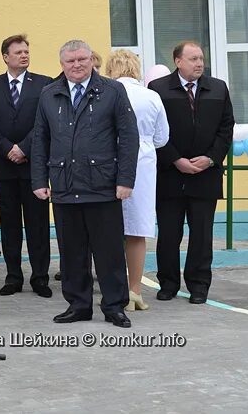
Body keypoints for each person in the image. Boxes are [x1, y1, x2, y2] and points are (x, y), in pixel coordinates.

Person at [31, 40, 138, 328]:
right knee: (71, 252)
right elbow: (40, 139)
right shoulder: (49, 94)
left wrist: (125, 179)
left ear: (91, 59)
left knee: (109, 252)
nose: (76, 65)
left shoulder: (112, 90)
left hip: (102, 185)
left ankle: (114, 306)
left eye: (82, 59)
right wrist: (39, 179)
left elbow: (129, 137)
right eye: (70, 61)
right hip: (64, 185)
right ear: (62, 64)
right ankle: (78, 305)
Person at [148, 41, 234, 304]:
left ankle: (199, 285)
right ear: (178, 61)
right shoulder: (159, 89)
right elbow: (154, 131)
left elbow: (226, 126)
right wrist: (176, 160)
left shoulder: (217, 87)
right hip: (170, 175)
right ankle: (168, 283)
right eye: (193, 58)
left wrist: (210, 158)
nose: (199, 63)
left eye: (201, 58)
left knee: (202, 234)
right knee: (169, 234)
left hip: (205, 174)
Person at [0, 34, 53, 298]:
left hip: (33, 166)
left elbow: (44, 122)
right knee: (9, 223)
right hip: (4, 166)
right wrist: (6, 148)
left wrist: (24, 147)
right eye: (18, 52)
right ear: (5, 57)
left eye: (26, 51)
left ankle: (40, 277)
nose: (24, 55)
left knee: (38, 224)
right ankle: (13, 276)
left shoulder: (44, 85)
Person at [104, 50, 169, 311]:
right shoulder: (151, 96)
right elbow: (162, 137)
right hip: (143, 163)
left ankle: (112, 289)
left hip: (110, 160)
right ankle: (135, 290)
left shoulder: (106, 93)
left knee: (108, 229)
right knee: (137, 231)